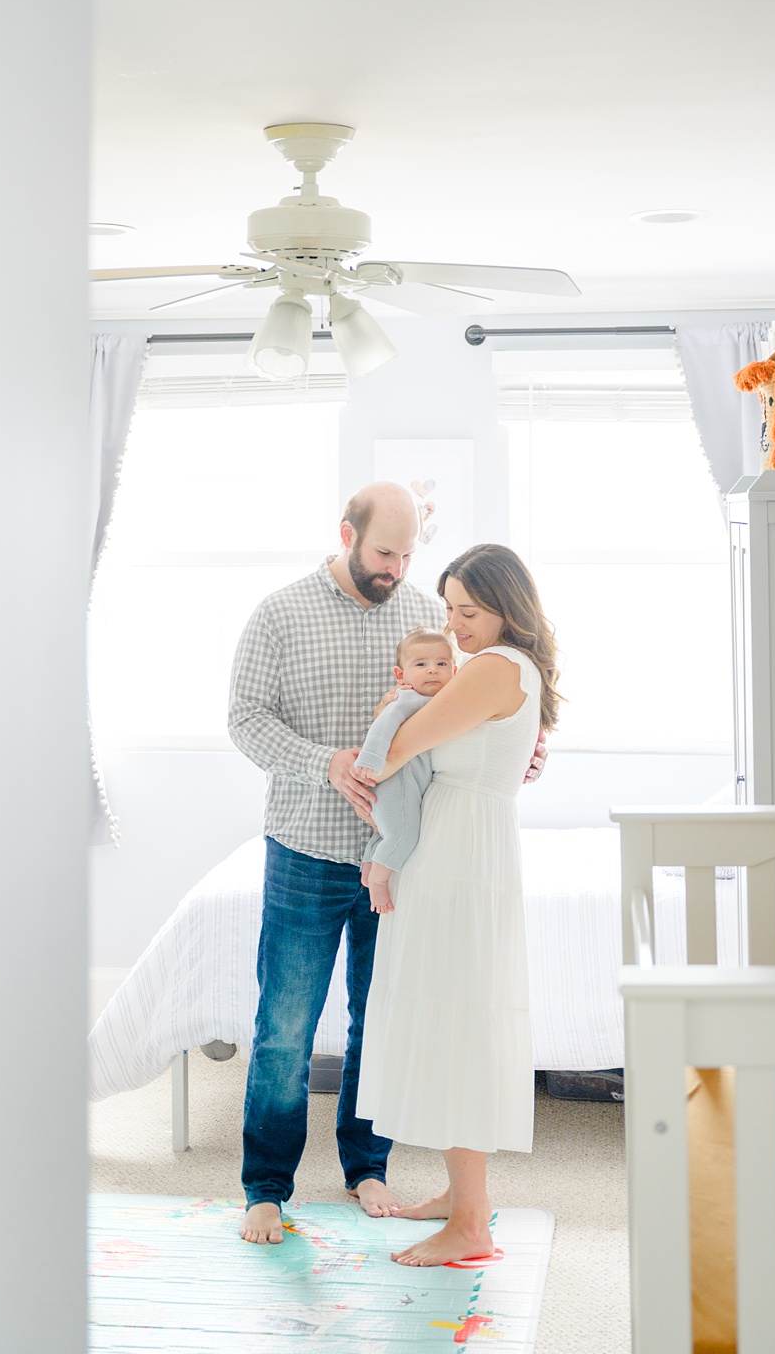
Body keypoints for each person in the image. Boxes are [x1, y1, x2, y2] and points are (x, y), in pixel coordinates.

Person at [227, 481, 440, 1244]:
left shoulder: (426, 615)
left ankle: (367, 1165)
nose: (397, 567)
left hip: (394, 857)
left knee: (378, 1021)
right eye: (385, 551)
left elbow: (464, 707)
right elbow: (244, 719)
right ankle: (266, 1185)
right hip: (305, 849)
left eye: (409, 552)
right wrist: (325, 762)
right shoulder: (280, 613)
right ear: (345, 532)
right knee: (285, 1026)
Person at [355, 542, 559, 1269]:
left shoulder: (494, 669)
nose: (455, 625)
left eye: (468, 610)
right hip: (460, 847)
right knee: (450, 1017)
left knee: (455, 1025)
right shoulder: (505, 670)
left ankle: (470, 1223)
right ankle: (457, 1197)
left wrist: (390, 717)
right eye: (448, 610)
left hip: (459, 856)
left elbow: (401, 747)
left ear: (508, 606)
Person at [356, 628, 459, 913]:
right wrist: (371, 759)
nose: (433, 671)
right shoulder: (409, 698)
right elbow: (383, 725)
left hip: (406, 784)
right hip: (395, 783)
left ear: (455, 670)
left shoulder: (440, 701)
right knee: (403, 836)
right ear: (400, 675)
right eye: (421, 664)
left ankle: (368, 866)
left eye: (442, 664)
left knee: (386, 833)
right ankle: (378, 884)